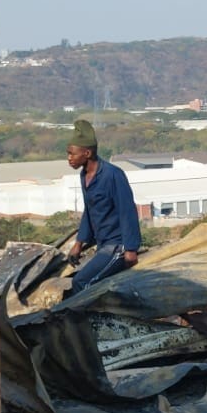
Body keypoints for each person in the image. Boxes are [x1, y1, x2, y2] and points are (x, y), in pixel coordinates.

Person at [66, 119, 141, 295]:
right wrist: (78, 243)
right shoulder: (84, 175)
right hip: (102, 244)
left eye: (72, 154)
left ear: (87, 153)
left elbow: (127, 212)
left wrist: (131, 249)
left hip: (117, 245)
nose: (69, 158)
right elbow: (90, 211)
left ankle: (84, 323)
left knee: (81, 283)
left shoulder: (113, 175)